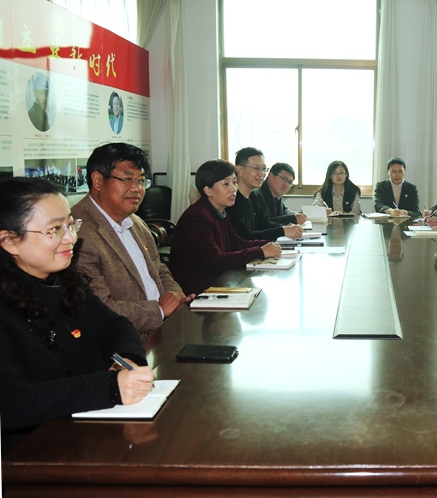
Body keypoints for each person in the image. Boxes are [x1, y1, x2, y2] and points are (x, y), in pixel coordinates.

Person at [0, 178, 153, 455]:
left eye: (71, 225)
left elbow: (115, 326)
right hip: (27, 457)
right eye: (54, 229)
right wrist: (108, 388)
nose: (71, 238)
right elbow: (10, 402)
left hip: (85, 437)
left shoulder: (66, 282)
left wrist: (126, 361)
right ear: (9, 240)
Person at [71, 143, 191, 340]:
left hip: (165, 329)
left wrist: (177, 297)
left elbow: (159, 269)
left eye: (141, 181)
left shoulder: (135, 221)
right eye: (127, 179)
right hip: (124, 342)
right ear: (98, 180)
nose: (137, 189)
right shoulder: (77, 233)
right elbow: (98, 309)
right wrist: (159, 310)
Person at [169, 160, 282, 295]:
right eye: (226, 184)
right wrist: (260, 251)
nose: (233, 189)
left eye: (234, 182)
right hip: (196, 291)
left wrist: (269, 244)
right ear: (208, 190)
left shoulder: (219, 211)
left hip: (218, 281)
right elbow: (217, 260)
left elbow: (237, 243)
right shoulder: (197, 217)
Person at [228, 147, 303, 241]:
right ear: (240, 170)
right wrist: (282, 231)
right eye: (256, 168)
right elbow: (245, 236)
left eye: (264, 169)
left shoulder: (253, 196)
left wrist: (285, 227)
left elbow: (265, 223)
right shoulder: (231, 200)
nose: (262, 174)